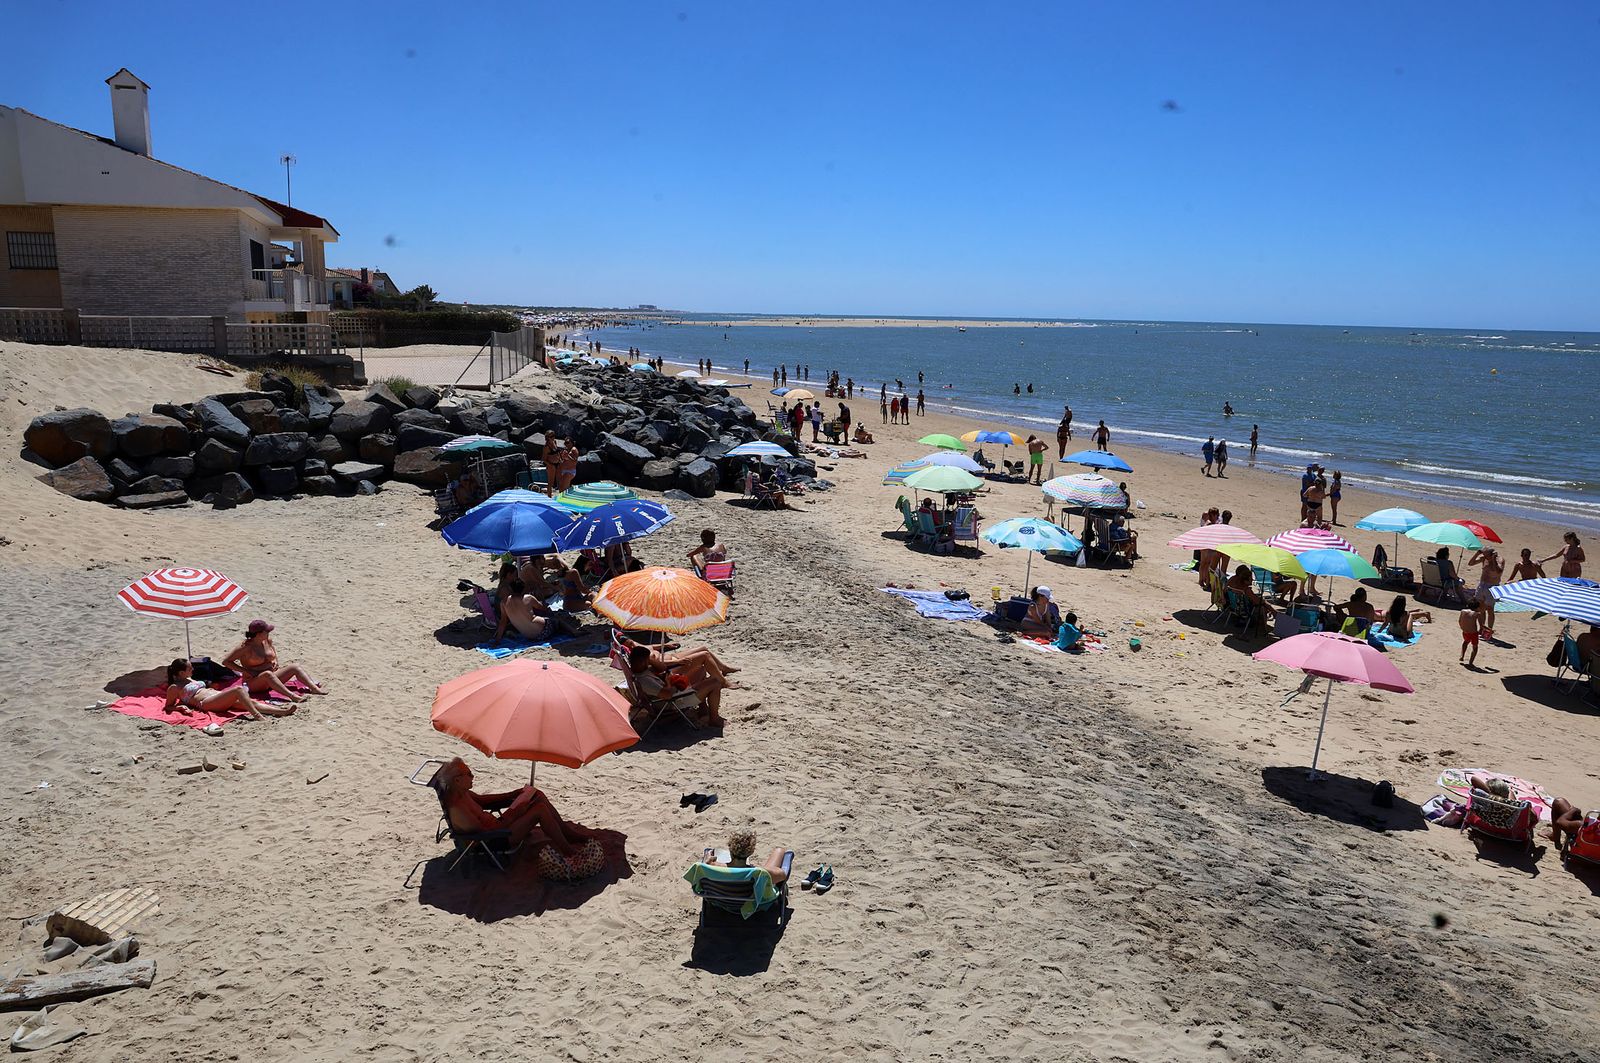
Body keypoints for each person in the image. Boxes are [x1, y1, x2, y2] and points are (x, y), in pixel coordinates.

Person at [434, 757, 598, 855]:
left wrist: (512, 794)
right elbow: (486, 833)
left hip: (499, 826)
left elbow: (483, 801)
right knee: (540, 810)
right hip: (496, 839)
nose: (473, 776)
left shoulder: (461, 792)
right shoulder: (458, 810)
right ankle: (567, 849)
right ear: (457, 780)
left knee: (536, 795)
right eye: (469, 774)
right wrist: (516, 813)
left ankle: (568, 833)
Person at [221, 620, 327, 703]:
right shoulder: (245, 647)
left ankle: (314, 689)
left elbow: (273, 652)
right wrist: (245, 671)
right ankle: (292, 696)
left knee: (295, 667)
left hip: (272, 676)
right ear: (259, 634)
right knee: (267, 674)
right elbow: (226, 662)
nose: (269, 633)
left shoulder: (267, 641)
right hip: (253, 682)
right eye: (266, 631)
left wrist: (275, 661)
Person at [628, 644, 727, 727]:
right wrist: (673, 683)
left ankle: (702, 707)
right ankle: (714, 719)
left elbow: (661, 668)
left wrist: (651, 662)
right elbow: (667, 695)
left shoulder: (640, 670)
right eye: (647, 661)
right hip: (673, 702)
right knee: (715, 682)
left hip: (671, 694)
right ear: (643, 662)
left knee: (700, 670)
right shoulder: (645, 680)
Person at [162, 658, 291, 719]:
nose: (193, 670)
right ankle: (257, 716)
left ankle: (281, 711)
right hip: (206, 703)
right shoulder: (174, 687)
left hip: (216, 696)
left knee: (250, 702)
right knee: (238, 690)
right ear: (181, 673)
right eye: (190, 668)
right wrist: (179, 707)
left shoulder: (189, 679)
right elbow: (168, 706)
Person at [699, 827, 790, 887]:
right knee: (779, 851)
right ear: (751, 851)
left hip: (720, 902)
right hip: (751, 904)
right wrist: (762, 869)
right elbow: (782, 875)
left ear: (730, 848)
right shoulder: (759, 873)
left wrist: (707, 861)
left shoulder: (712, 867)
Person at [1467, 547, 1503, 634]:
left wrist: (1493, 560)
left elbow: (1498, 571)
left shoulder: (1499, 560)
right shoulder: (1484, 559)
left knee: (1490, 609)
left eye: (1487, 555)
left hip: (1492, 586)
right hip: (1482, 585)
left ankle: (1489, 629)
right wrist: (1477, 553)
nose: (1485, 557)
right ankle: (1482, 628)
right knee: (1480, 608)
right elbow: (1470, 563)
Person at [1459, 597, 1486, 666]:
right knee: (1475, 647)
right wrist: (1490, 630)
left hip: (1465, 632)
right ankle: (1470, 663)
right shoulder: (1477, 614)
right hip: (1473, 633)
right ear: (1477, 607)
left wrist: (1463, 628)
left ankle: (1462, 656)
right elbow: (1482, 626)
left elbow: (1460, 621)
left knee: (1465, 642)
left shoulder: (1463, 611)